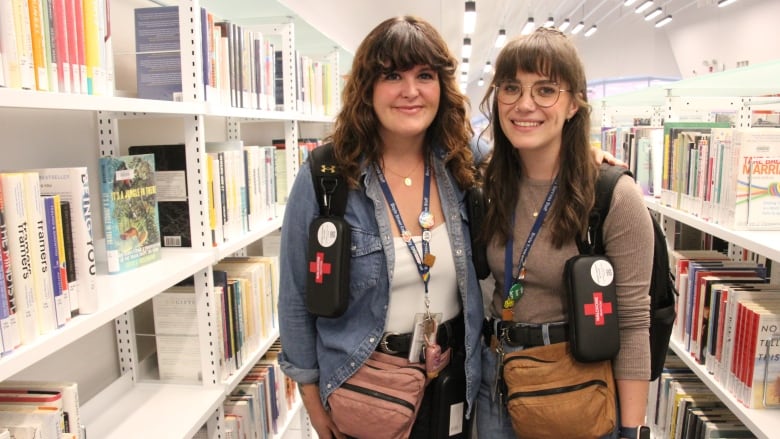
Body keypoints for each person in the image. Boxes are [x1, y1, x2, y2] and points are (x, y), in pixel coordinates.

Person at [277, 16, 484, 439]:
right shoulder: (325, 176)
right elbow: (296, 296)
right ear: (367, 87)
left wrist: (587, 157)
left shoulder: (461, 162)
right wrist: (313, 402)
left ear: (442, 87)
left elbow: (529, 158)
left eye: (424, 75)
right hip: (363, 388)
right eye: (393, 75)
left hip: (451, 378)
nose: (411, 91)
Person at [475, 27, 654, 439]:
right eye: (511, 88)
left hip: (576, 390)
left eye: (545, 90)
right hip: (499, 384)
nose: (524, 104)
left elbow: (631, 325)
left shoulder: (612, 196)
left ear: (574, 104)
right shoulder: (486, 185)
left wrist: (632, 431)